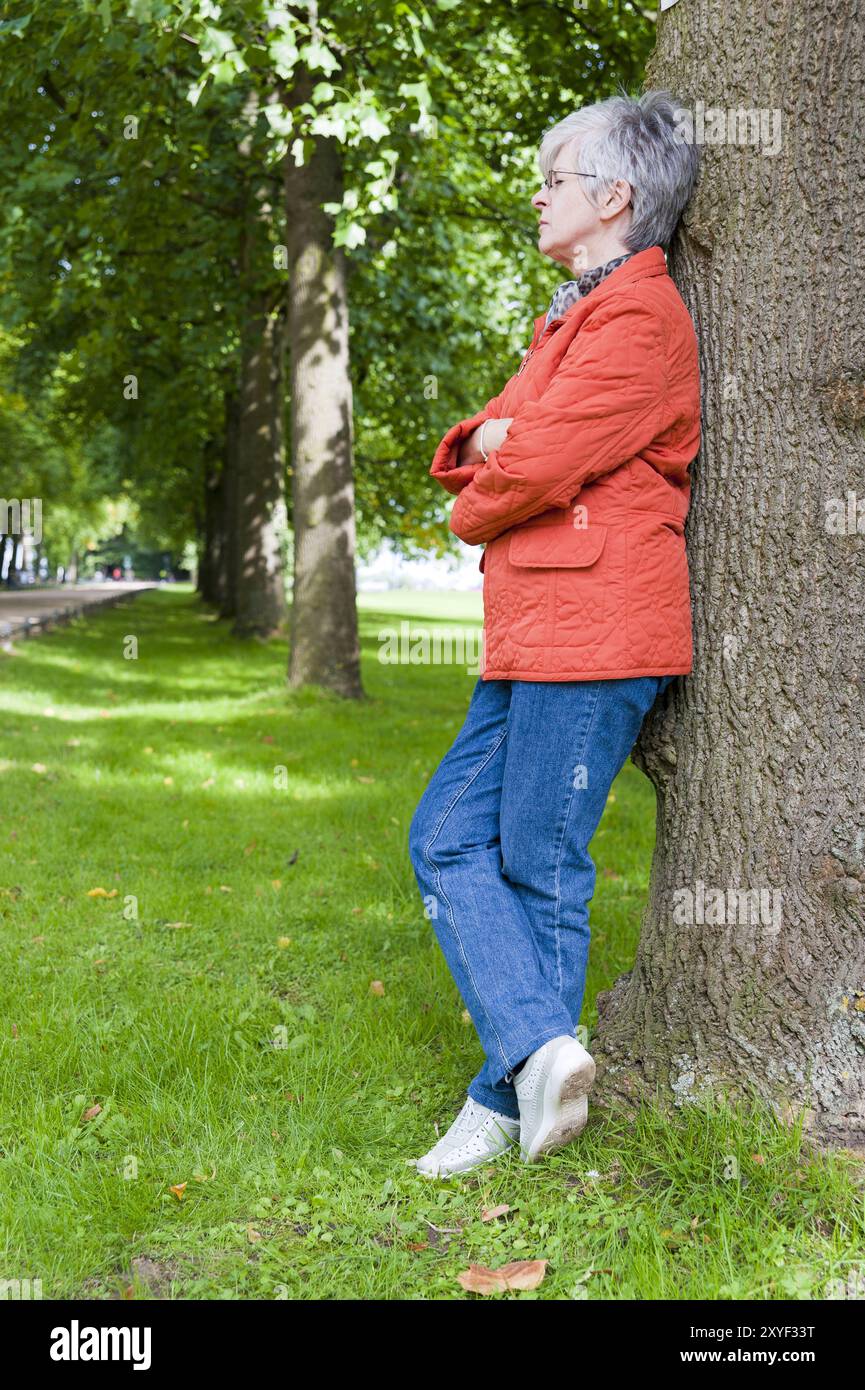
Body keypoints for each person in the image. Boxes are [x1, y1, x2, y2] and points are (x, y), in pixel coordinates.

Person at [407, 88, 701, 1177]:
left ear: (613, 196)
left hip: (598, 627)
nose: (535, 194)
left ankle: (506, 1106)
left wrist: (482, 478)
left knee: (539, 861)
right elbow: (481, 436)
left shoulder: (637, 319)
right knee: (443, 837)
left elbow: (521, 463)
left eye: (553, 178)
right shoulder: (573, 312)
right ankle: (533, 1054)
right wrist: (490, 441)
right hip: (537, 628)